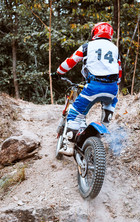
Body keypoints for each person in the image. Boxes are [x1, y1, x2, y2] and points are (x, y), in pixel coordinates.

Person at [52, 22, 122, 156]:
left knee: (74, 113)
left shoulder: (87, 46)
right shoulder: (115, 49)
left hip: (93, 87)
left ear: (94, 33)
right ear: (110, 34)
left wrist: (58, 72)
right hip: (112, 88)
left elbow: (71, 62)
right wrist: (115, 87)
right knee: (111, 100)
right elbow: (119, 71)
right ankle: (105, 124)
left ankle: (69, 147)